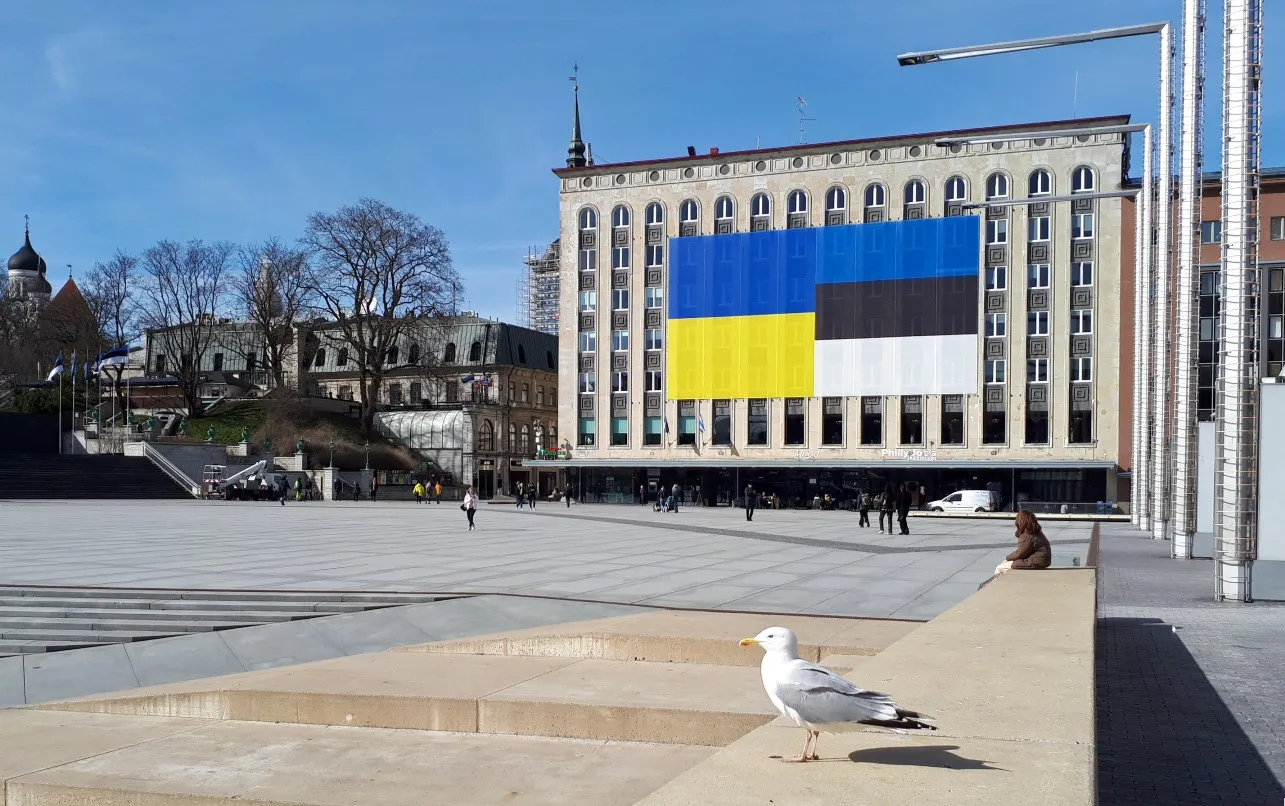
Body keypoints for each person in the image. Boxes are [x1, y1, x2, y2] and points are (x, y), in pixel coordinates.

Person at [996, 510, 1052, 574]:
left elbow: (1020, 553)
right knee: (1007, 562)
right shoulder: (1036, 532)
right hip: (1042, 560)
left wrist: (1007, 558)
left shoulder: (1028, 536)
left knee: (1000, 567)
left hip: (1037, 561)